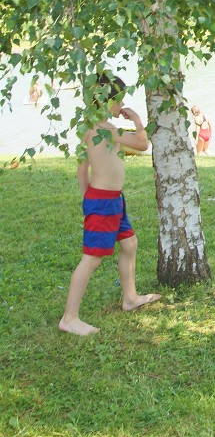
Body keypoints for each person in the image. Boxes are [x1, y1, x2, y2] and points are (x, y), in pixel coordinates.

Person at [59, 73, 160, 336]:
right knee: (91, 259)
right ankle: (69, 318)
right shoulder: (105, 130)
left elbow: (82, 169)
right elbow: (142, 143)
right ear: (105, 100)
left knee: (129, 243)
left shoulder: (91, 127)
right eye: (118, 101)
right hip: (104, 202)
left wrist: (86, 197)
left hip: (112, 200)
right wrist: (137, 120)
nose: (120, 107)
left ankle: (130, 298)